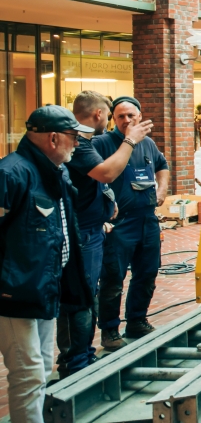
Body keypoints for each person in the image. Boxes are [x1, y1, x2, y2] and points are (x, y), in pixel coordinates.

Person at [0, 107, 93, 423]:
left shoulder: (56, 173)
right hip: (17, 294)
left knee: (39, 367)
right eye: (74, 137)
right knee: (28, 372)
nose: (77, 145)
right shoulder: (12, 173)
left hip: (43, 288)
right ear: (54, 138)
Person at [56, 92, 152, 376]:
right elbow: (106, 173)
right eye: (113, 114)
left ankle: (81, 356)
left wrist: (105, 204)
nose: (115, 120)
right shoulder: (85, 143)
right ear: (100, 114)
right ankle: (76, 360)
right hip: (82, 234)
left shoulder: (83, 143)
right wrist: (131, 140)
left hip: (92, 229)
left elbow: (94, 184)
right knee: (82, 296)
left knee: (86, 294)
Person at [95, 96, 170, 350]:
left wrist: (162, 190)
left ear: (140, 116)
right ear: (112, 119)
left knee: (147, 272)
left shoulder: (148, 143)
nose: (126, 120)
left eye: (131, 115)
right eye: (120, 116)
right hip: (119, 223)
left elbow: (162, 166)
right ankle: (109, 330)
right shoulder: (102, 143)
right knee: (113, 277)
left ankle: (137, 320)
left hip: (147, 219)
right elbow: (96, 175)